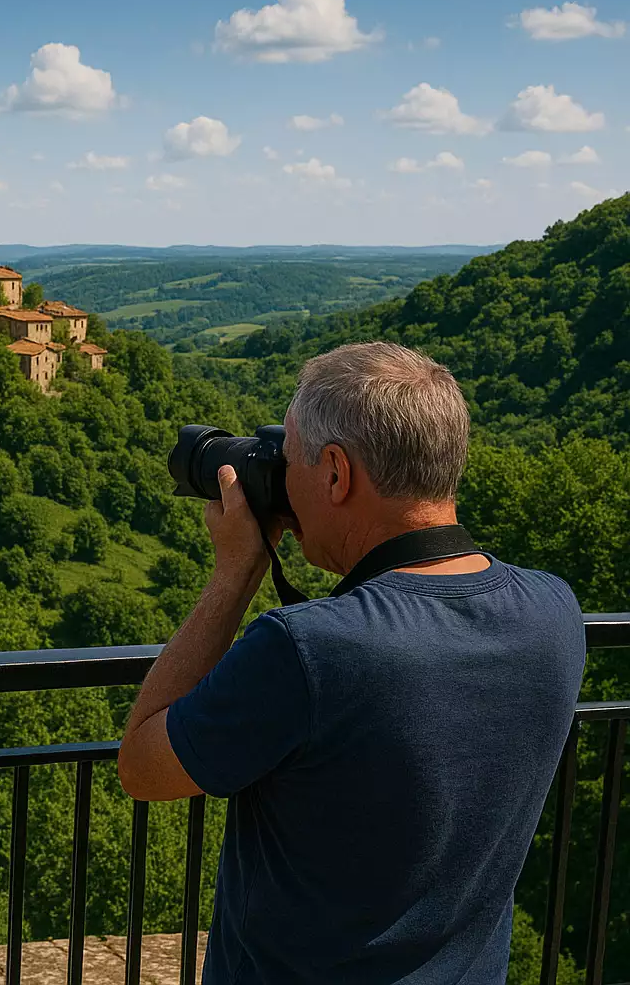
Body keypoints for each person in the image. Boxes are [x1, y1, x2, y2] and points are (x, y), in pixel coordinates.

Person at [116, 342, 585, 984]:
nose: (285, 482)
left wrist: (235, 574)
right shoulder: (554, 612)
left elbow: (144, 767)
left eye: (291, 461)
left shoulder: (310, 648)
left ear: (336, 474)